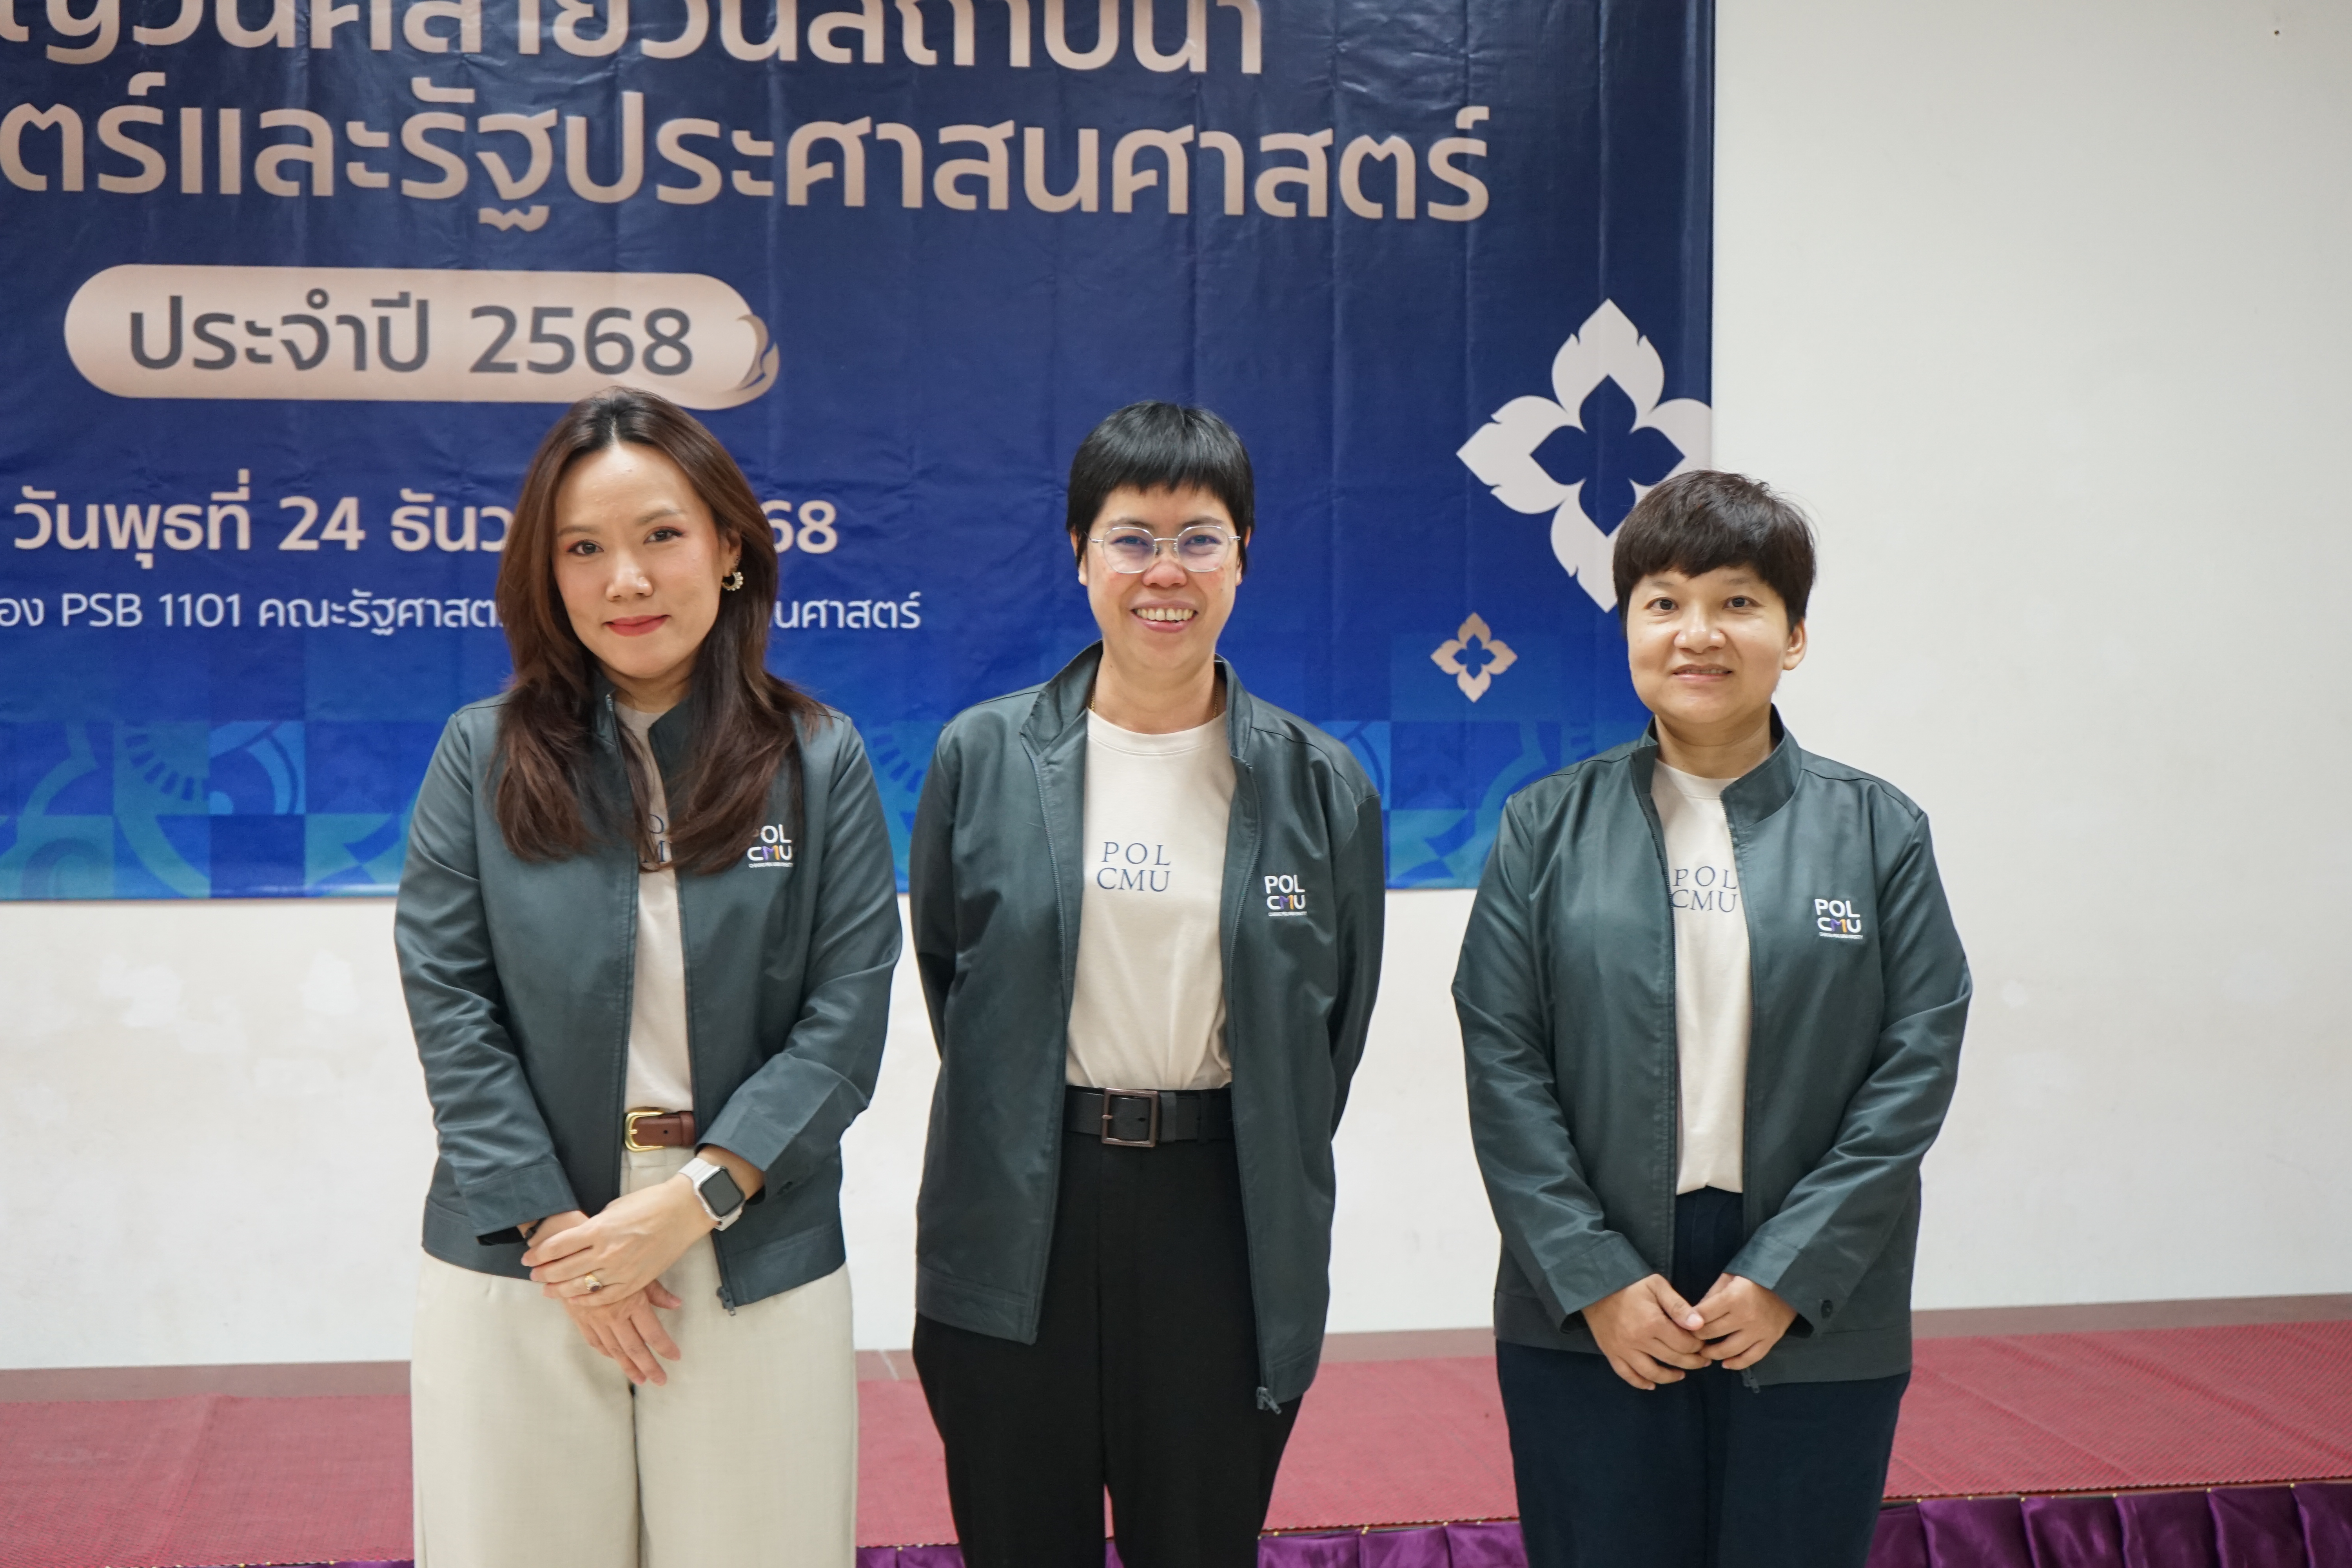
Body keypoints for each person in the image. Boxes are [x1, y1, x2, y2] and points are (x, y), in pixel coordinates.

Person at [395, 387, 900, 1567]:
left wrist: (693, 1203)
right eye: (583, 549)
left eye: (661, 536)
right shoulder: (481, 753)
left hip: (748, 1236)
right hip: (526, 1245)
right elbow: (451, 1005)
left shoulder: (818, 759)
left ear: (728, 549)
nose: (625, 580)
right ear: (547, 575)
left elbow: (846, 1018)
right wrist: (564, 1238)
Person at [1453, 470, 1971, 1568]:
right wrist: (1592, 1276)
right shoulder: (1544, 826)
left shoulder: (1879, 831)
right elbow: (1503, 1061)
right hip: (1594, 1296)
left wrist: (1791, 1268)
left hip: (1816, 1295)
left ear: (1795, 635)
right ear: (1629, 628)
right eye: (1665, 602)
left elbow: (1916, 1061)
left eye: (1738, 602)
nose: (1698, 633)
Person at [906, 401, 1386, 1568]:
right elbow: (954, 982)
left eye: (1199, 538)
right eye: (1131, 538)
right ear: (1080, 554)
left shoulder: (1322, 785)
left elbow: (1331, 1032)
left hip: (1221, 1219)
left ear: (1242, 557)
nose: (1164, 571)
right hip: (1022, 1208)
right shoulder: (984, 757)